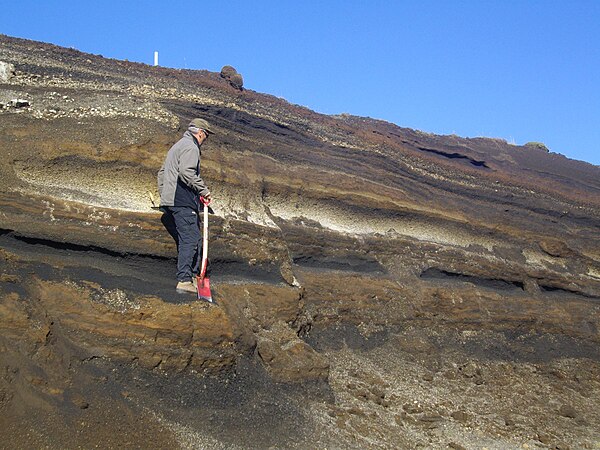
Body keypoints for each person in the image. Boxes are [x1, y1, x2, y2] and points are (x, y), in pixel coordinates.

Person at [157, 118, 213, 294]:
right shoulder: (191, 147)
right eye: (206, 136)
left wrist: (164, 195)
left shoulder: (177, 146)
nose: (205, 139)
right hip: (182, 201)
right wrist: (204, 191)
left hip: (172, 200)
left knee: (191, 238)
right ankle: (184, 280)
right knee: (190, 239)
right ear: (200, 132)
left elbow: (162, 173)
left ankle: (193, 278)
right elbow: (186, 172)